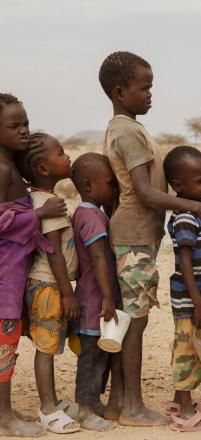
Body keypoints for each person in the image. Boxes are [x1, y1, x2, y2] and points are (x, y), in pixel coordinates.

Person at [99, 50, 201, 426]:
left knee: (133, 320)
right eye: (143, 87)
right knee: (135, 321)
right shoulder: (128, 132)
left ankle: (119, 401)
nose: (150, 94)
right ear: (120, 92)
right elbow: (146, 193)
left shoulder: (122, 128)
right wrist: (195, 207)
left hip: (134, 236)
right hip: (133, 238)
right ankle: (133, 407)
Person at [0, 93, 66, 438]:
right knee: (4, 344)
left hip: (13, 270)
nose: (24, 130)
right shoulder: (1, 170)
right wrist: (39, 214)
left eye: (26, 123)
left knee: (7, 341)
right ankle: (3, 417)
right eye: (15, 125)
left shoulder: (11, 168)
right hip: (4, 276)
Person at [16, 133, 80, 434]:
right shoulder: (48, 203)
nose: (67, 157)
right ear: (43, 169)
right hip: (49, 286)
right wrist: (67, 293)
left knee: (49, 344)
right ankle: (47, 408)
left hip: (45, 284)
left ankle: (52, 400)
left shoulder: (38, 199)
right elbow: (53, 251)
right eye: (61, 153)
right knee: (46, 348)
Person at [163, 146, 201, 432]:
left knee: (191, 350)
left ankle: (179, 400)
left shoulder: (198, 214)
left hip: (200, 296)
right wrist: (198, 303)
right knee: (186, 352)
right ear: (178, 186)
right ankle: (186, 412)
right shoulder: (186, 217)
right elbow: (185, 263)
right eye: (200, 181)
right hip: (190, 300)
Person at [71, 152, 124, 432]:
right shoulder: (91, 217)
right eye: (109, 183)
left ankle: (94, 403)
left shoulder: (90, 213)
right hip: (94, 301)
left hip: (94, 298)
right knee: (91, 358)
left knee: (101, 354)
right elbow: (99, 258)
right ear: (89, 186)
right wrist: (107, 296)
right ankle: (85, 410)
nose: (114, 188)